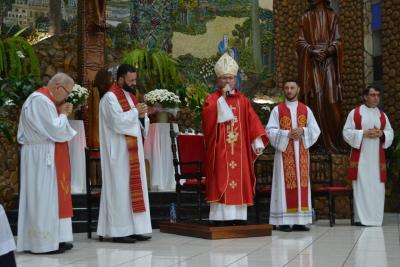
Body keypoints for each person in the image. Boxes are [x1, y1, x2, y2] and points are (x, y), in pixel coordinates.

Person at [201, 53, 269, 226]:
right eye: (224, 78)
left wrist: (257, 141)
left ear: (235, 79)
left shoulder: (243, 101)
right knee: (221, 179)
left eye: (230, 78)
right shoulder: (212, 99)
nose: (227, 82)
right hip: (220, 150)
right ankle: (219, 217)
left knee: (240, 179)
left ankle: (238, 217)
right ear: (218, 80)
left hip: (240, 152)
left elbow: (252, 122)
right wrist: (222, 100)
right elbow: (208, 119)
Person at [17, 73, 77, 253]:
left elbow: (57, 130)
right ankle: (42, 243)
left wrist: (62, 113)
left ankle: (57, 238)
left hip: (48, 152)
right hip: (40, 157)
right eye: (67, 92)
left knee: (54, 198)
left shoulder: (49, 101)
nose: (67, 97)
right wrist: (65, 114)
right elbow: (56, 130)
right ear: (58, 86)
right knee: (43, 198)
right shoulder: (39, 100)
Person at [97, 64, 152, 243]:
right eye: (131, 80)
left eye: (135, 80)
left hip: (133, 151)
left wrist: (143, 116)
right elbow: (117, 122)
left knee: (134, 190)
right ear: (120, 79)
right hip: (118, 153)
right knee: (120, 191)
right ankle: (119, 231)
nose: (134, 83)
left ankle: (135, 228)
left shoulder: (130, 96)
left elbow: (138, 122)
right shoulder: (109, 98)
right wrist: (137, 112)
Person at [266, 81, 320, 232]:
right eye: (287, 88)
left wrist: (303, 131)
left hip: (301, 153)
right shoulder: (277, 110)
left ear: (298, 89)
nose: (289, 91)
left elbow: (315, 130)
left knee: (302, 186)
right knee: (284, 186)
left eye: (292, 88)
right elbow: (269, 131)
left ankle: (299, 221)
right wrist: (286, 134)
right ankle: (283, 221)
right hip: (284, 154)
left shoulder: (306, 109)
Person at [296, 0, 346, 153]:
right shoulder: (306, 17)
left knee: (331, 100)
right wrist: (311, 50)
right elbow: (300, 42)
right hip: (312, 64)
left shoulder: (332, 16)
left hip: (329, 62)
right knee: (315, 100)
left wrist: (330, 50)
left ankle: (333, 142)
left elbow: (338, 41)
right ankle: (316, 143)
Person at [343, 85, 393, 226]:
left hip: (377, 161)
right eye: (372, 94)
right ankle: (360, 219)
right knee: (361, 188)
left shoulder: (382, 115)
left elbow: (390, 132)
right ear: (365, 97)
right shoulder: (355, 113)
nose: (376, 97)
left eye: (377, 94)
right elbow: (346, 132)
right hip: (361, 159)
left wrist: (381, 134)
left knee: (377, 188)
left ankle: (376, 219)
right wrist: (363, 133)